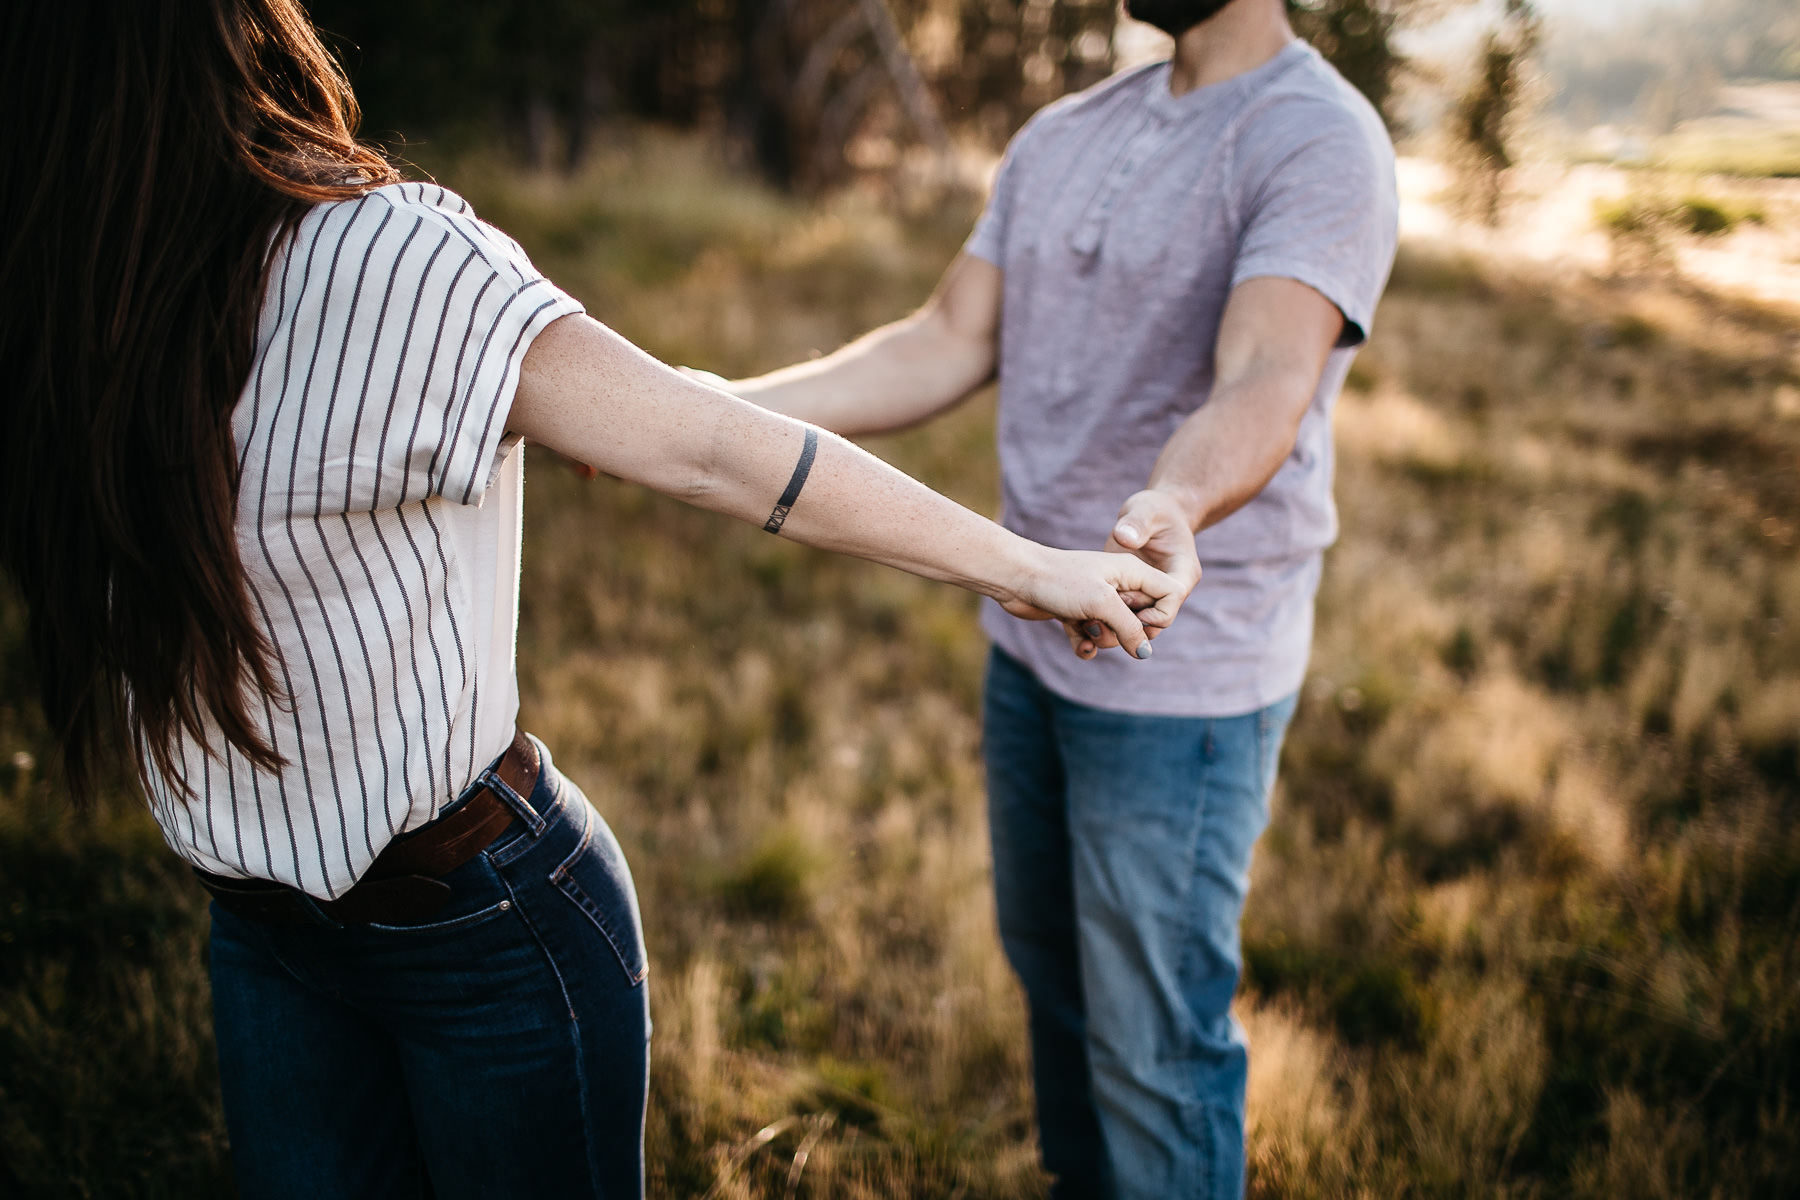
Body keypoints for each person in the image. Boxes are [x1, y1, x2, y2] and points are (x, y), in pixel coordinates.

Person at [0, 3, 1185, 1198]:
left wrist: (1032, 569)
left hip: (482, 924)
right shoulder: (69, 297)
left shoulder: (384, 256)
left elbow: (714, 451)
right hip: (261, 935)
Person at [709, 0, 1399, 1195]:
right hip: (1024, 645)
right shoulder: (1063, 133)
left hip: (1180, 680)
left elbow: (1265, 373)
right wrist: (713, 408)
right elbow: (943, 338)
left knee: (1153, 1053)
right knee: (1055, 984)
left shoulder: (1318, 136)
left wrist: (1175, 500)